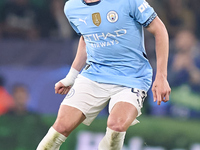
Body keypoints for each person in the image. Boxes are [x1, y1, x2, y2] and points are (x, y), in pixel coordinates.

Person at [37, 0, 171, 149]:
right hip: (93, 74)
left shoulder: (129, 1)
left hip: (132, 77)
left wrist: (161, 76)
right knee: (60, 127)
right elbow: (86, 39)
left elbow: (159, 29)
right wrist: (71, 77)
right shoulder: (71, 7)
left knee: (116, 126)